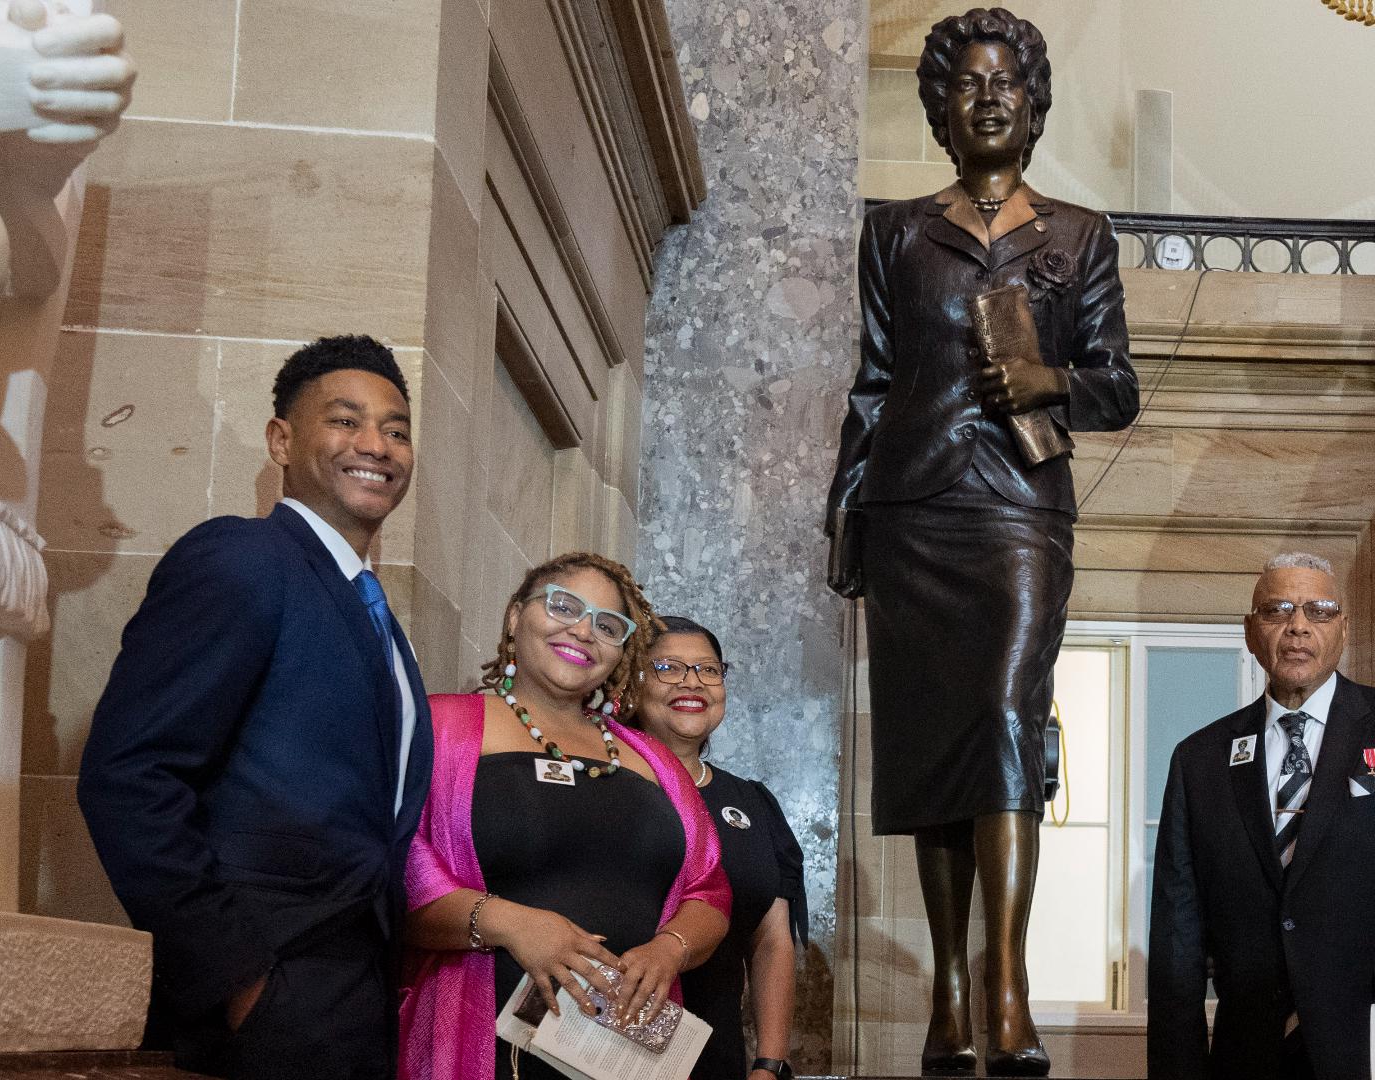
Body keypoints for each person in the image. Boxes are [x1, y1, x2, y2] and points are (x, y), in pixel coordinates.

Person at [824, 9, 1139, 1073]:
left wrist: (1053, 377)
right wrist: (848, 516)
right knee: (931, 747)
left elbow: (1118, 387)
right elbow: (871, 385)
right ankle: (949, 999)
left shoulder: (1079, 235)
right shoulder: (897, 232)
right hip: (913, 509)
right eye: (970, 84)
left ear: (1035, 104)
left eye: (1009, 82)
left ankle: (1008, 987)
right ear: (941, 110)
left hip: (1016, 507)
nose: (991, 96)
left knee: (1006, 719)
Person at [78, 336, 431, 1079]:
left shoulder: (379, 621)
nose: (376, 445)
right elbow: (131, 774)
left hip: (355, 998)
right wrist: (240, 982)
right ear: (281, 439)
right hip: (267, 999)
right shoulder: (241, 559)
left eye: (396, 429)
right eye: (345, 420)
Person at [1148, 553, 1375, 1080]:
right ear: (1249, 631)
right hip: (1249, 1055)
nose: (1298, 627)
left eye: (1320, 611)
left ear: (1345, 629)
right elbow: (1178, 938)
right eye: (1277, 610)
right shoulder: (1200, 760)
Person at [397, 553, 732, 1080]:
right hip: (483, 1039)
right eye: (563, 606)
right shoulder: (442, 725)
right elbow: (393, 863)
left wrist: (671, 949)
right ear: (515, 617)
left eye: (606, 625)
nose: (583, 630)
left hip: (625, 1052)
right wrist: (511, 923)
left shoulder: (654, 760)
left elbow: (709, 889)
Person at [627, 615, 808, 1080]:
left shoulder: (752, 802)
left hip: (717, 1055)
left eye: (709, 670)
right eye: (668, 667)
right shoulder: (606, 785)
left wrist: (769, 1062)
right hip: (606, 1043)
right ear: (630, 684)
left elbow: (771, 941)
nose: (693, 683)